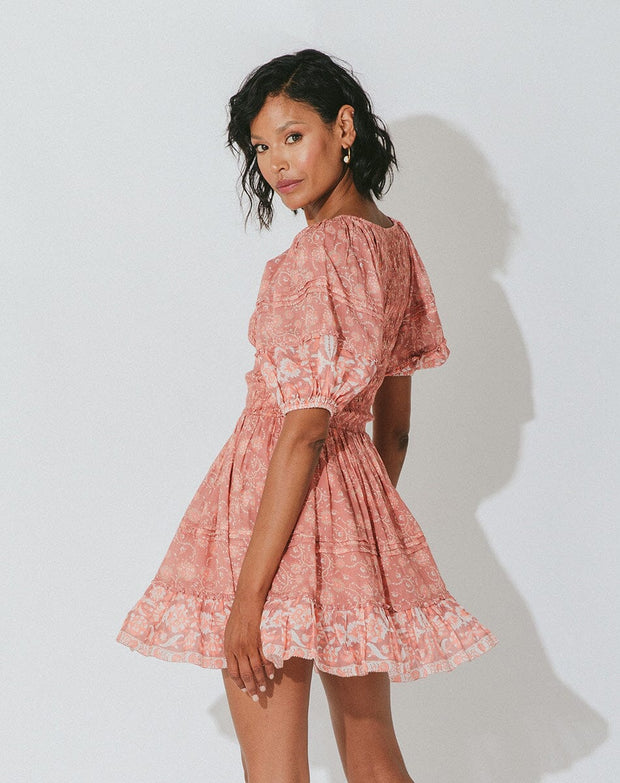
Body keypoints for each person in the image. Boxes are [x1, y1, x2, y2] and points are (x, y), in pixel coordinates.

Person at [116, 48, 498, 783]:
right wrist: (351, 530)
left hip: (272, 520)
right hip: (347, 513)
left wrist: (249, 597)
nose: (276, 164)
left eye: (294, 136)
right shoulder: (392, 245)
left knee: (274, 771)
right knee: (375, 758)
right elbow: (394, 429)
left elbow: (304, 427)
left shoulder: (320, 255)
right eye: (261, 147)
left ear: (343, 128)